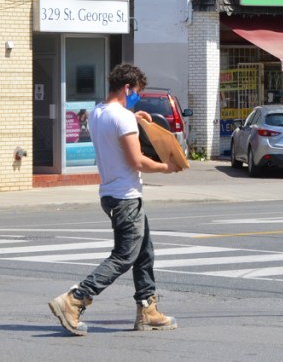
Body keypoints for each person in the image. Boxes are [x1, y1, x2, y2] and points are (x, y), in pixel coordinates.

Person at [48, 63, 184, 336]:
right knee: (124, 256)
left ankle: (148, 309)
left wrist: (133, 116)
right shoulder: (122, 117)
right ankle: (75, 299)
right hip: (125, 196)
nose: (138, 96)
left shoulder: (99, 112)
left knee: (144, 252)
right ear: (127, 88)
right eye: (137, 92)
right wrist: (166, 167)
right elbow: (137, 161)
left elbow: (115, 127)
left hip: (112, 193)